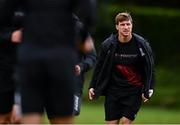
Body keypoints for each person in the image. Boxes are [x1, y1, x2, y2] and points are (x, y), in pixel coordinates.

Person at [0, 0, 96, 124]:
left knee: (31, 114)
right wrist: (82, 39)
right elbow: (89, 10)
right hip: (61, 56)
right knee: (62, 118)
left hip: (31, 56)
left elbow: (3, 14)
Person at [89, 12, 155, 124]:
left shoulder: (142, 44)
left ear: (132, 26)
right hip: (113, 92)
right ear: (117, 26)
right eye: (123, 24)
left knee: (125, 122)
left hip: (134, 91)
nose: (126, 27)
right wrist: (92, 86)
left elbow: (150, 68)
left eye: (128, 24)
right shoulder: (108, 45)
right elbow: (99, 67)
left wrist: (149, 87)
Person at [0, 8, 22, 123]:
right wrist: (10, 36)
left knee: (21, 118)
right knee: (3, 118)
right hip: (3, 71)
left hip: (27, 70)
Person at [73, 14, 97, 116]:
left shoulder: (80, 29)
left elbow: (92, 57)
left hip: (74, 82)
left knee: (72, 112)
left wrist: (81, 67)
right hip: (52, 82)